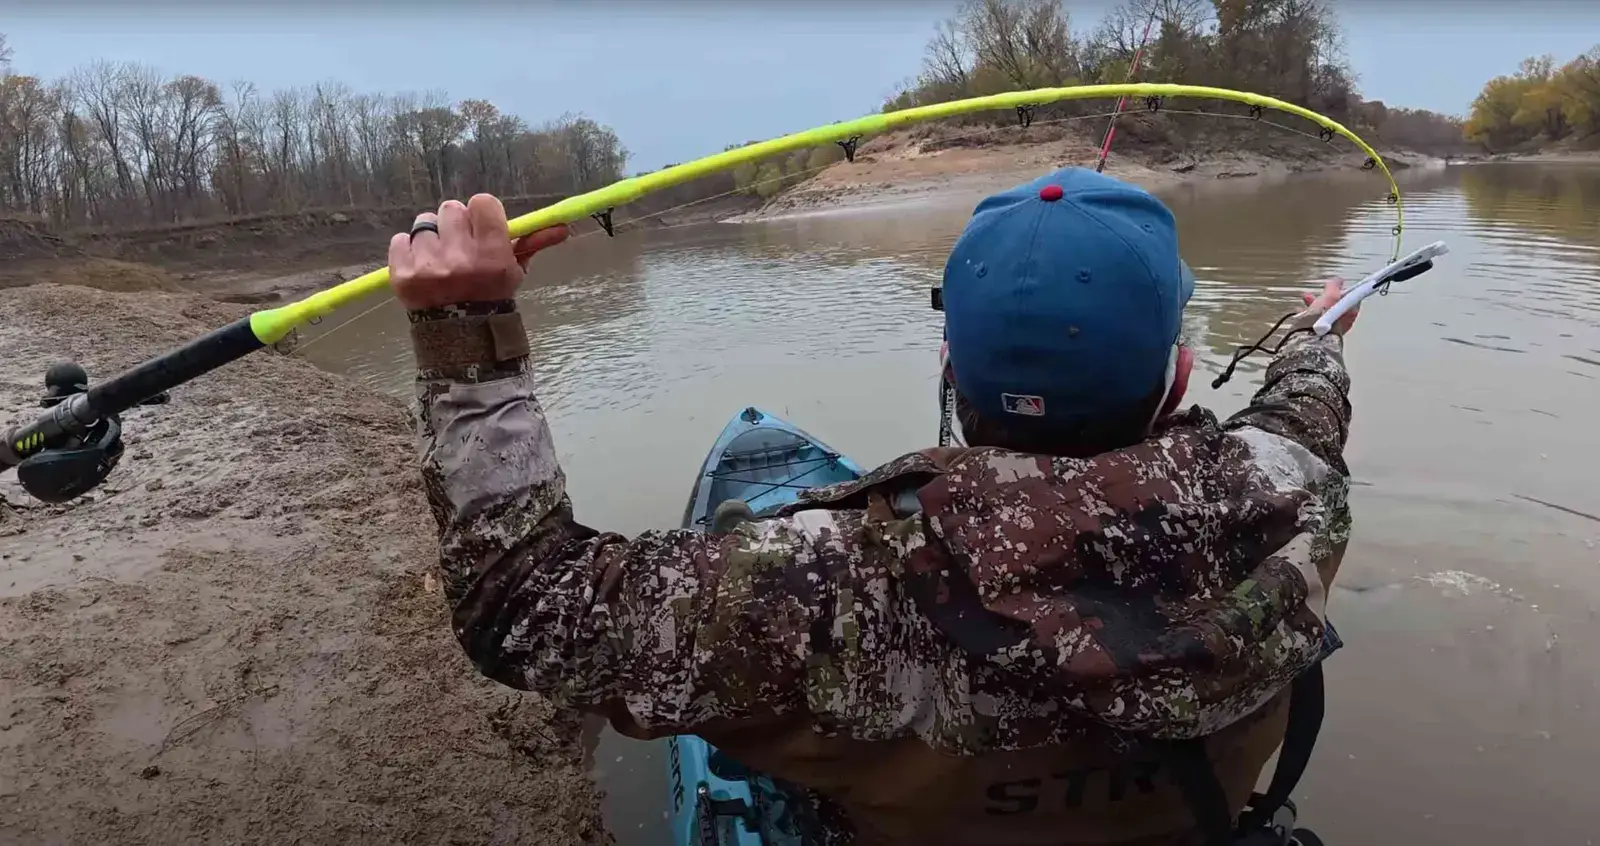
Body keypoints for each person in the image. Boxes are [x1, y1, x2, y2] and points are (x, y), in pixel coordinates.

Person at [390, 167, 1355, 846]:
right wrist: (1317, 337)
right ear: (1179, 371)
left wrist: (467, 334)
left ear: (950, 368)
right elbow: (1303, 407)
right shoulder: (1291, 486)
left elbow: (525, 605)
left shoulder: (828, 582)